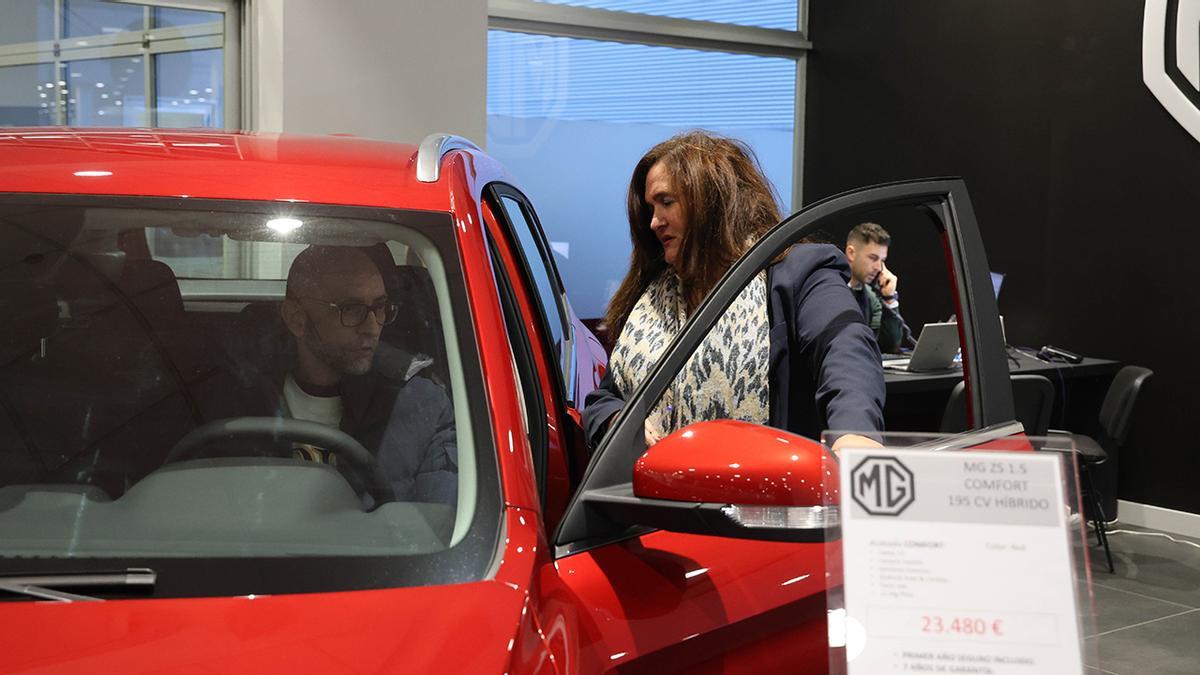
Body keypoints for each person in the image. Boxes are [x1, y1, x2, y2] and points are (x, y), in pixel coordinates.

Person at [583, 131, 884, 453]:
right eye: (650, 208)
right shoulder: (652, 295)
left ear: (712, 200)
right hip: (649, 493)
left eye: (667, 202)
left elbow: (845, 347)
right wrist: (619, 420)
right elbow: (605, 398)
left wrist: (856, 435)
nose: (655, 222)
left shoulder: (798, 272)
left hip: (763, 493)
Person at [198, 245, 457, 506]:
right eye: (351, 309)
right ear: (296, 319)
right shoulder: (236, 402)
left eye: (380, 308)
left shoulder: (420, 405)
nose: (372, 328)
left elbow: (441, 526)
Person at [844, 222, 916, 354]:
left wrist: (889, 299)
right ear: (851, 253)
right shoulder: (830, 290)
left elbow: (889, 347)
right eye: (873, 258)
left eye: (882, 260)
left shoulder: (871, 297)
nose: (878, 267)